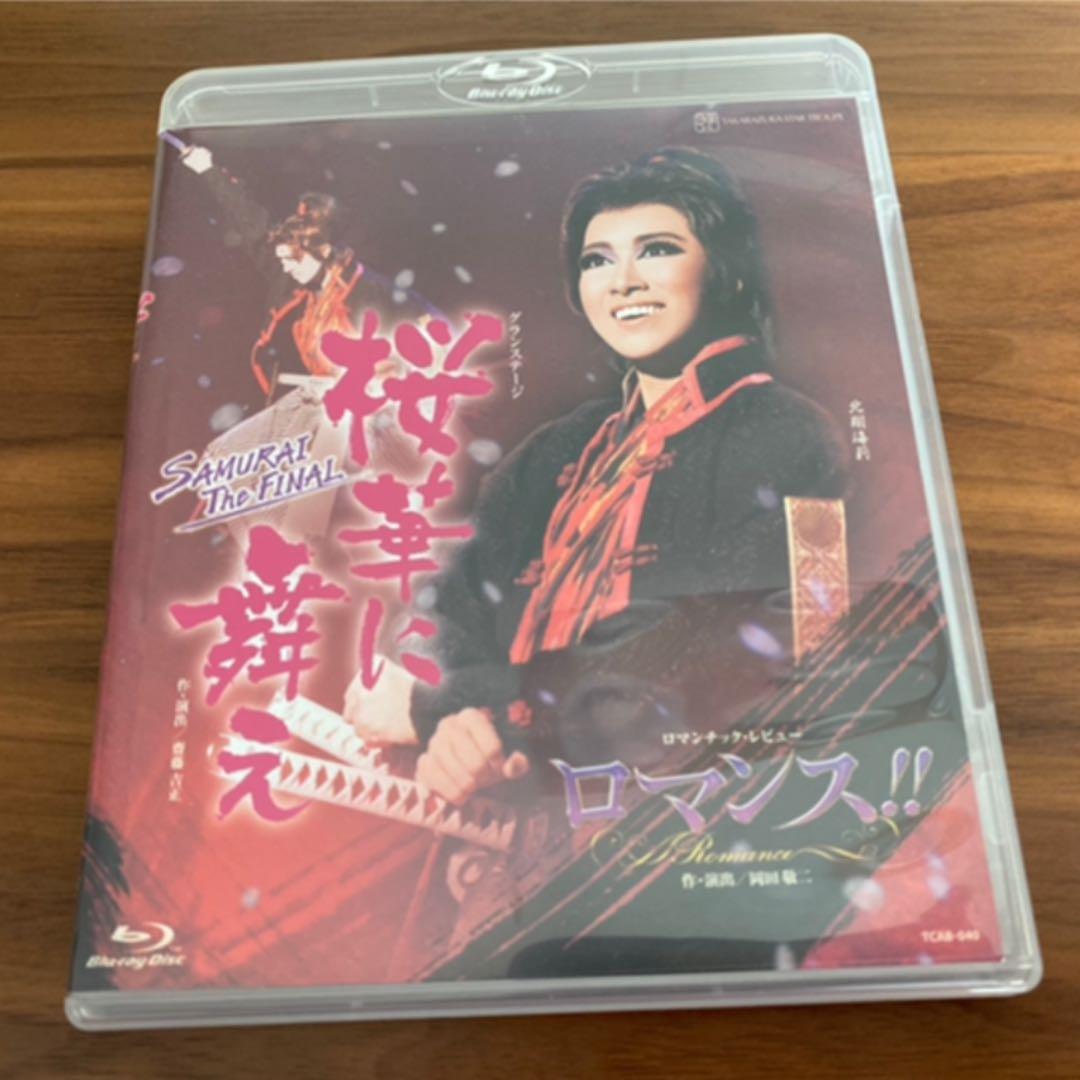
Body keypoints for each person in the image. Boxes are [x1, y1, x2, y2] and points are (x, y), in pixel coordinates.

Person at [344, 147, 848, 804]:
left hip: (687, 809)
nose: (623, 282)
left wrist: (454, 708)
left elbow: (753, 660)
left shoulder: (790, 433)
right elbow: (442, 604)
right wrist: (459, 720)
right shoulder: (555, 450)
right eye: (597, 261)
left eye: (658, 250)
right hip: (502, 817)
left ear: (724, 270)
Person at [181, 145, 434, 398]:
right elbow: (250, 223)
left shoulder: (370, 290)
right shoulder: (291, 282)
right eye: (282, 259)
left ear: (323, 251)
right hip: (316, 400)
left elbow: (433, 329)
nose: (285, 266)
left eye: (292, 259)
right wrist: (207, 170)